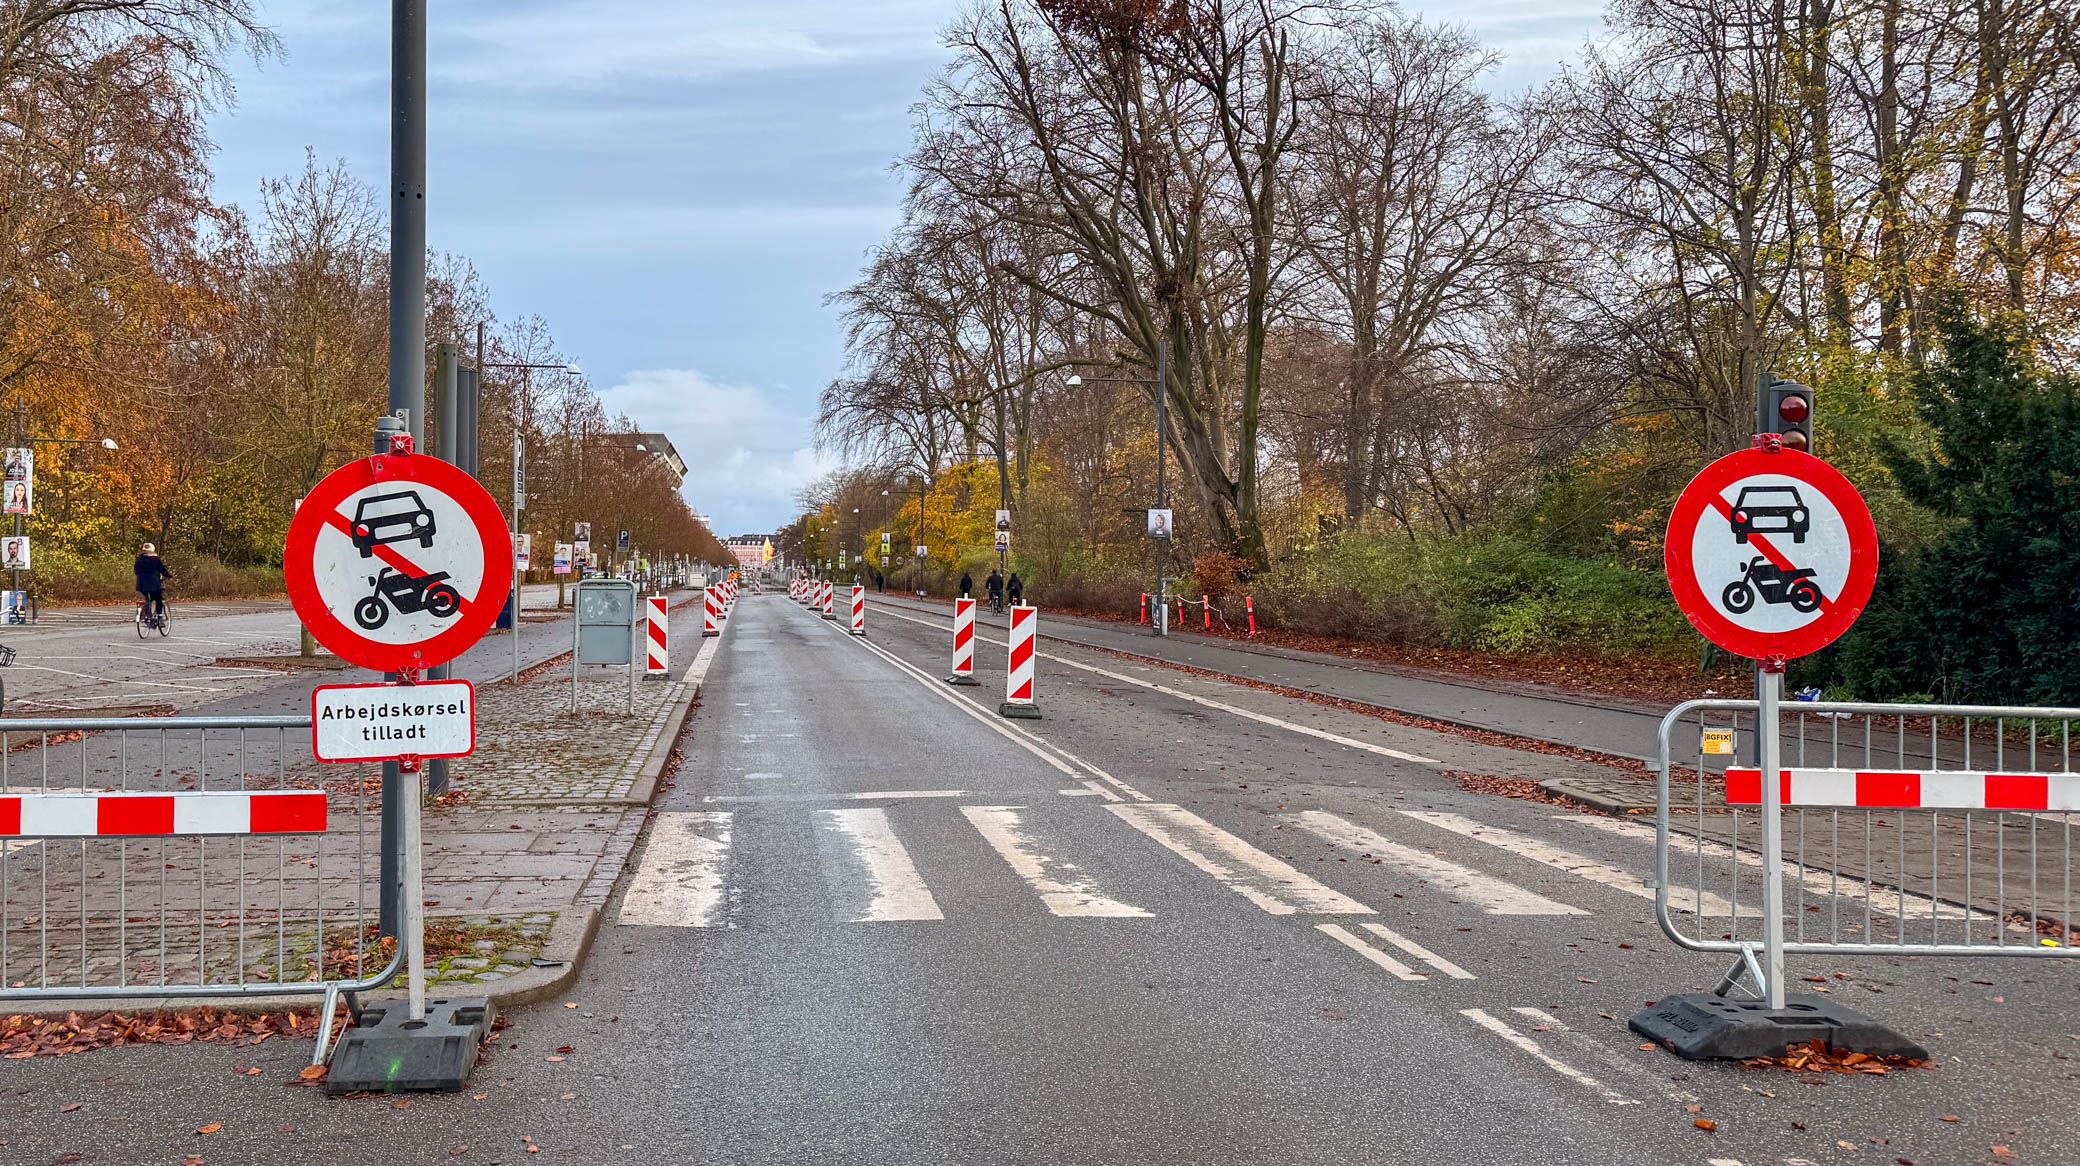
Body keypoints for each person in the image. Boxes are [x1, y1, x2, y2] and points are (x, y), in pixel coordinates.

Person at [134, 542, 172, 620]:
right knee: (158, 599)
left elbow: (136, 571)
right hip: (154, 585)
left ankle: (146, 613)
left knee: (146, 598)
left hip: (141, 585)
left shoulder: (139, 560)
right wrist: (169, 576)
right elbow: (163, 570)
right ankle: (160, 617)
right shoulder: (155, 560)